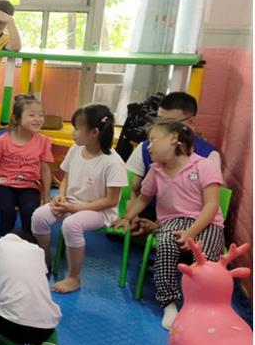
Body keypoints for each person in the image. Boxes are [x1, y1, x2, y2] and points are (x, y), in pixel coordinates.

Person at [113, 119, 225, 330]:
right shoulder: (155, 170)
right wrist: (127, 217)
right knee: (165, 245)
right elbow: (143, 199)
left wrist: (191, 231)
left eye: (153, 140)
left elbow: (211, 205)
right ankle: (169, 304)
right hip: (173, 222)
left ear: (174, 138)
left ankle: (198, 304)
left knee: (205, 257)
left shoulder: (204, 166)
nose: (148, 147)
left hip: (207, 222)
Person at [31, 104, 128, 294]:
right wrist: (60, 197)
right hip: (71, 202)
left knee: (71, 225)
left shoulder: (113, 162)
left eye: (77, 128)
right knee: (39, 216)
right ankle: (45, 261)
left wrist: (74, 209)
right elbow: (66, 178)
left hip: (99, 211)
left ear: (94, 132)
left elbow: (111, 200)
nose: (73, 132)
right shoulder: (76, 149)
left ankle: (74, 277)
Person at [125, 92, 221, 237]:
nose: (163, 128)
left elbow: (210, 203)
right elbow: (129, 188)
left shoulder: (208, 156)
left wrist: (162, 227)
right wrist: (133, 217)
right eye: (159, 121)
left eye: (170, 122)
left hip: (191, 221)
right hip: (150, 212)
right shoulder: (146, 147)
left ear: (191, 122)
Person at [0, 94, 53, 240]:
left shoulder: (43, 141)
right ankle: (5, 242)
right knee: (7, 209)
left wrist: (47, 196)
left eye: (41, 115)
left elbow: (45, 169)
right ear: (16, 118)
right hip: (3, 184)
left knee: (29, 210)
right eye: (32, 115)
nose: (38, 119)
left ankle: (29, 242)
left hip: (30, 185)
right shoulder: (1, 142)